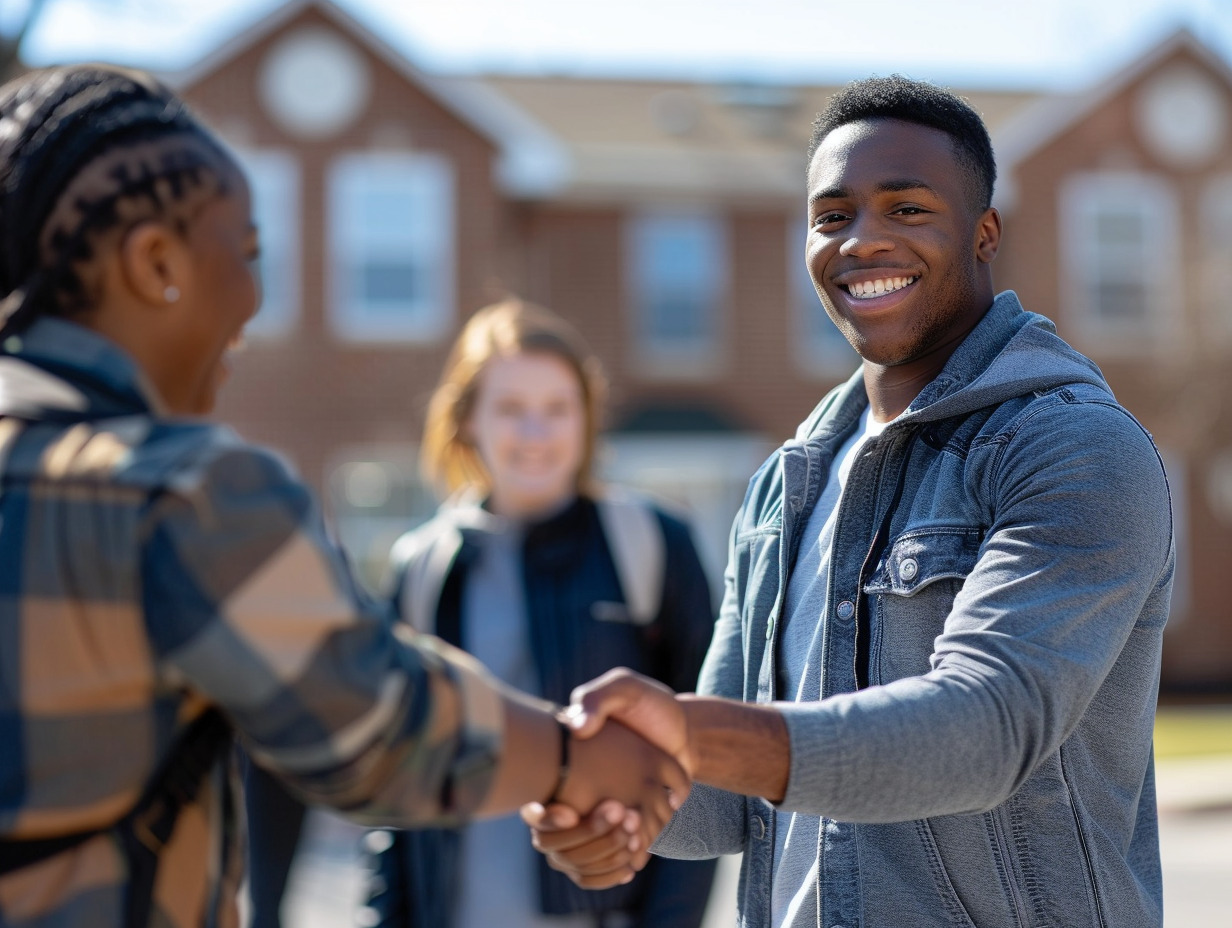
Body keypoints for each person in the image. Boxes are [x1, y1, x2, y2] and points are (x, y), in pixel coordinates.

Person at [0, 64, 688, 928]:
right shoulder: (178, 491)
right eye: (248, 254)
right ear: (156, 263)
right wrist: (572, 759)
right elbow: (375, 727)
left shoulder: (644, 538)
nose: (252, 306)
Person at [527, 75, 1175, 928]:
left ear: (984, 234)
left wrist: (695, 733)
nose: (861, 241)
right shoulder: (782, 487)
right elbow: (724, 800)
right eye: (832, 217)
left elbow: (988, 725)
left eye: (906, 209)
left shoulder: (1072, 447)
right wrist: (605, 798)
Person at [347, 299, 718, 928]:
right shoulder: (423, 569)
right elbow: (393, 784)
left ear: (585, 419)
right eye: (511, 410)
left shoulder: (652, 544)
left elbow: (702, 765)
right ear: (468, 421)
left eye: (556, 410)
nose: (536, 434)